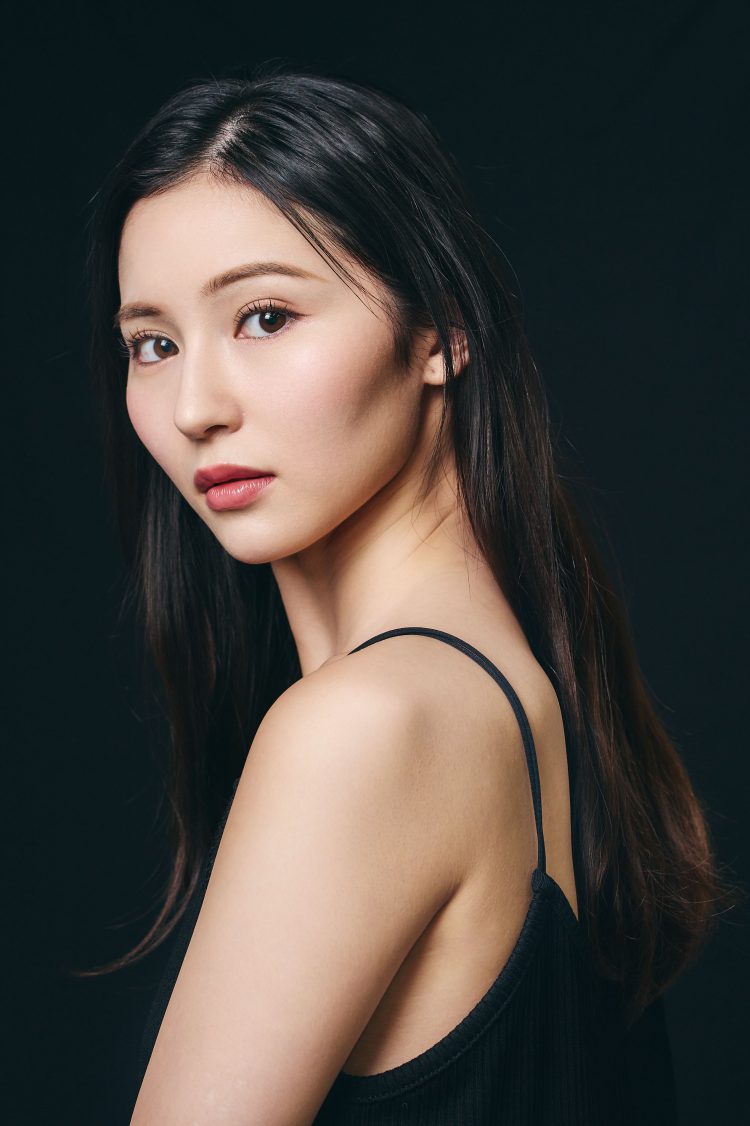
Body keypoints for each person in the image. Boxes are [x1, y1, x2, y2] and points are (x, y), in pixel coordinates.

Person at [79, 60, 728, 1124]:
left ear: (441, 331)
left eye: (265, 317)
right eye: (152, 344)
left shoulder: (367, 727)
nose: (194, 406)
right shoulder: (532, 694)